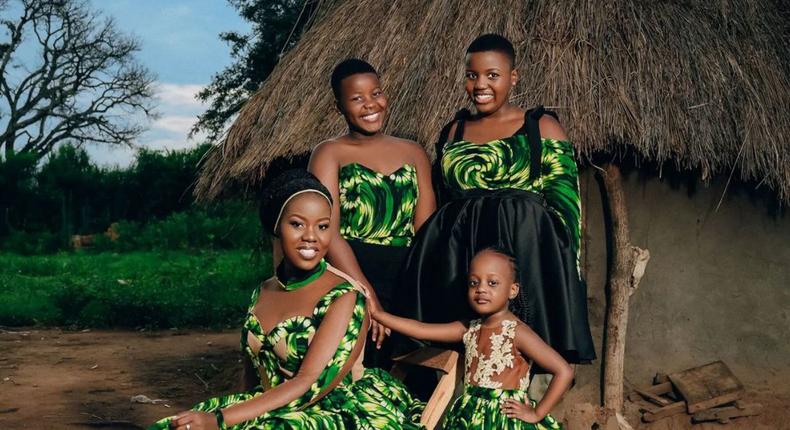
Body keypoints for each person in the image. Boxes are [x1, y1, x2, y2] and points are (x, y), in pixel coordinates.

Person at [149, 170, 424, 430]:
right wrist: (227, 414)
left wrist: (221, 419)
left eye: (323, 226)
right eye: (297, 224)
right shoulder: (263, 291)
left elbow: (310, 383)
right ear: (277, 227)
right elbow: (250, 374)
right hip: (269, 404)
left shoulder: (345, 297)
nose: (311, 237)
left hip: (329, 409)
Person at [397, 34, 595, 365]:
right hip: (460, 259)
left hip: (525, 256)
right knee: (461, 351)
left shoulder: (541, 127)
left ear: (513, 77)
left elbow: (566, 206)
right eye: (472, 75)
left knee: (519, 355)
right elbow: (444, 201)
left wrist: (560, 272)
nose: (480, 85)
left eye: (492, 75)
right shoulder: (453, 131)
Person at [309, 58, 436, 369]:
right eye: (356, 98)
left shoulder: (414, 152)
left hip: (408, 275)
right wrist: (367, 296)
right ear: (339, 106)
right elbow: (328, 232)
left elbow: (427, 232)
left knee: (416, 369)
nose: (370, 105)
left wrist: (424, 292)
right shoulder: (329, 153)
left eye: (376, 93)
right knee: (363, 366)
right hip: (352, 271)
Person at [371, 247, 570, 429]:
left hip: (503, 420)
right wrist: (379, 315)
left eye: (492, 283)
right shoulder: (468, 328)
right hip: (467, 418)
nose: (481, 289)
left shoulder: (518, 332)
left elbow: (564, 371)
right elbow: (421, 329)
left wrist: (536, 413)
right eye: (474, 282)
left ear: (513, 290)